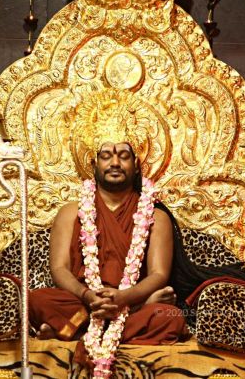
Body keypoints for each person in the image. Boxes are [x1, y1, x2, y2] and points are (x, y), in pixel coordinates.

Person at [29, 140, 189, 345]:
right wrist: (87, 295)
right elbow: (59, 268)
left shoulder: (156, 217)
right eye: (106, 156)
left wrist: (124, 298)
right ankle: (102, 332)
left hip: (131, 303)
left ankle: (75, 332)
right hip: (83, 302)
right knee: (36, 300)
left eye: (123, 156)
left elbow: (159, 274)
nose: (115, 163)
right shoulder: (70, 212)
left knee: (169, 317)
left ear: (136, 165)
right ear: (94, 165)